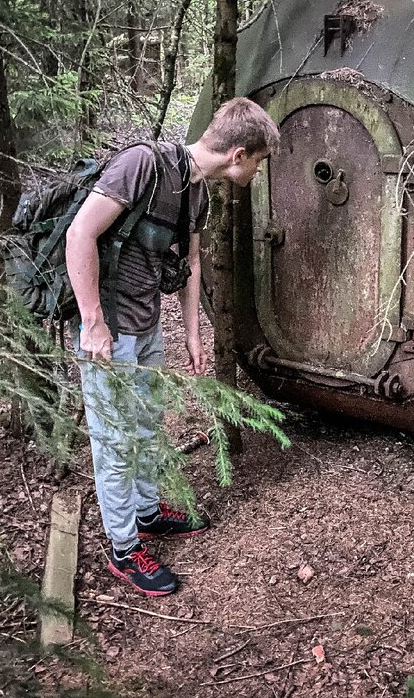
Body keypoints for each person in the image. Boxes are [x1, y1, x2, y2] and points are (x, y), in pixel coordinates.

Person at [66, 97, 280, 597]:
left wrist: (189, 331)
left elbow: (192, 264)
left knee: (145, 424)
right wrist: (94, 322)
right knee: (115, 444)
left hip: (146, 329)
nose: (258, 170)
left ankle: (146, 512)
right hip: (108, 331)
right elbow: (80, 233)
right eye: (260, 161)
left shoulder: (198, 193)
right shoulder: (143, 165)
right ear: (239, 154)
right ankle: (123, 548)